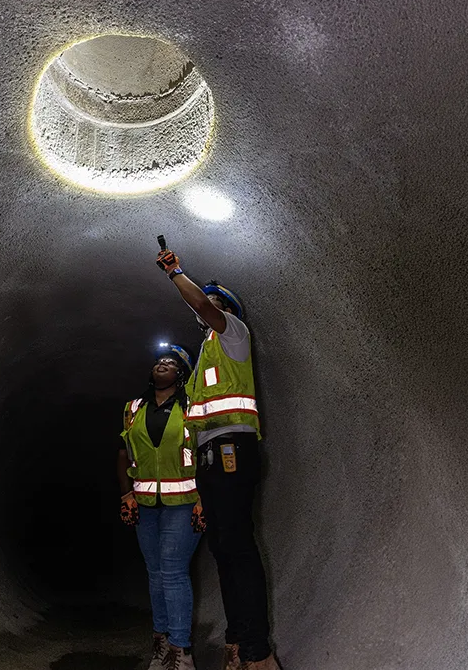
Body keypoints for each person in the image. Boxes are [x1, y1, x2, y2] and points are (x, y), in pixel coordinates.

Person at [154, 248, 281, 670]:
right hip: (211, 459)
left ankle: (259, 655)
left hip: (232, 450)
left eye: (216, 303)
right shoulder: (203, 361)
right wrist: (202, 496)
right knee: (225, 551)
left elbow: (203, 305)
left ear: (228, 310)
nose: (207, 310)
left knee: (238, 548)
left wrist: (176, 274)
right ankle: (238, 643)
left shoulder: (234, 335)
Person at [118, 344, 208, 670]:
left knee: (172, 571)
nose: (162, 364)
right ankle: (160, 646)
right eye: (158, 361)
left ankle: (181, 652)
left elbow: (205, 451)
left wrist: (204, 498)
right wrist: (126, 495)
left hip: (184, 502)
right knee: (155, 575)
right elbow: (124, 453)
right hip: (145, 505)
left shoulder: (192, 407)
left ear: (180, 374)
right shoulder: (134, 407)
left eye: (170, 362)